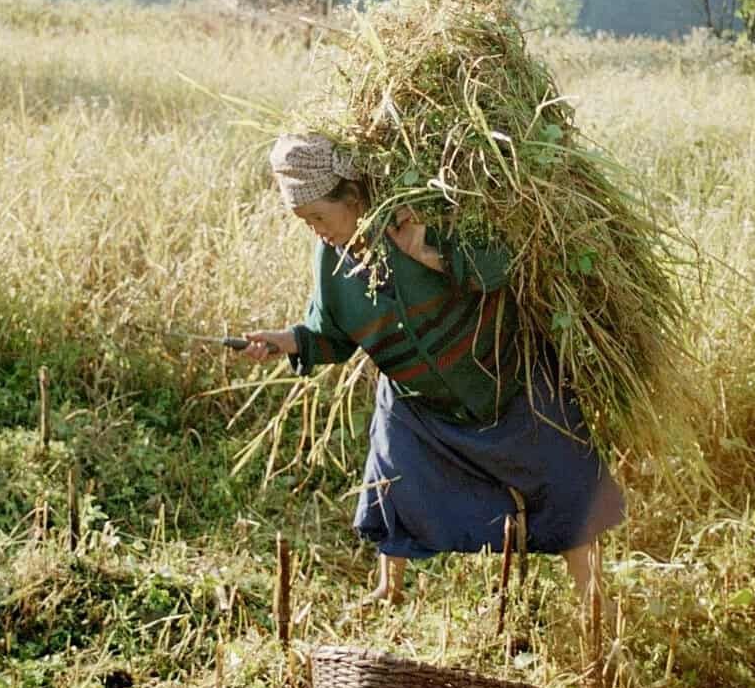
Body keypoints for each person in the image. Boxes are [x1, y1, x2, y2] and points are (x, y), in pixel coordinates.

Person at [244, 133, 624, 606]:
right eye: (304, 222)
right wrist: (287, 341)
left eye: (319, 216)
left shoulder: (426, 212)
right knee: (393, 476)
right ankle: (389, 589)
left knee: (563, 477)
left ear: (354, 197)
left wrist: (429, 252)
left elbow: (504, 267)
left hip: (504, 377)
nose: (315, 231)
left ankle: (594, 598)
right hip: (418, 404)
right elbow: (332, 334)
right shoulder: (332, 259)